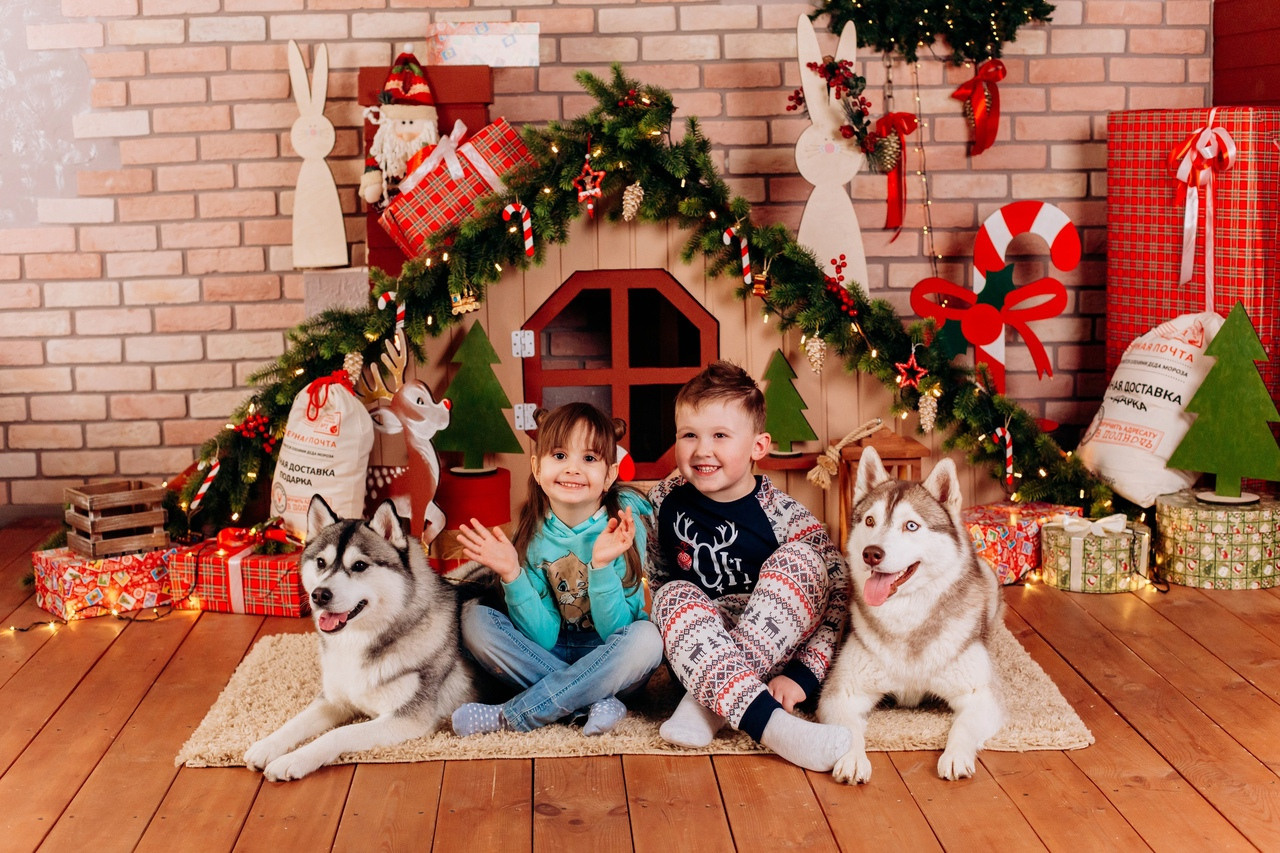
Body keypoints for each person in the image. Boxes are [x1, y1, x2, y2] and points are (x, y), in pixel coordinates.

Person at [648, 360, 852, 771]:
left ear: (758, 446)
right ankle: (773, 727)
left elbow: (837, 597)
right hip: (700, 654)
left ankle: (703, 710)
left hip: (776, 651)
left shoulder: (784, 514)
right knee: (669, 594)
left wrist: (803, 675)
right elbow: (654, 578)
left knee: (805, 562)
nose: (701, 449)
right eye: (689, 435)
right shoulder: (662, 501)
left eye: (720, 435)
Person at [451, 402, 663, 737]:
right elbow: (544, 636)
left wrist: (602, 566)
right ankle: (592, 701)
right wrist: (512, 575)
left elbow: (617, 632)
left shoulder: (623, 524)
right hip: (550, 651)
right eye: (560, 456)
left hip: (613, 659)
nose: (573, 469)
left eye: (589, 459)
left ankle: (514, 715)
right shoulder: (533, 534)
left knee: (647, 639)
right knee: (474, 619)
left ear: (609, 474)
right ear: (536, 467)